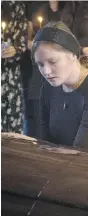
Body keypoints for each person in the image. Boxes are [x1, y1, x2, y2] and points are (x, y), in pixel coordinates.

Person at [33, 21, 88, 151]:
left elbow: (83, 150)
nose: (46, 72)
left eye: (53, 61)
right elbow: (43, 142)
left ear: (72, 54)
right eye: (40, 65)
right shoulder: (48, 87)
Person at [23, 0, 66, 137]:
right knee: (38, 122)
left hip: (61, 73)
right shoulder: (34, 7)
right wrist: (39, 43)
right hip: (39, 71)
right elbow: (26, 41)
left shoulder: (70, 6)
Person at [1, 1, 27, 133]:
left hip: (10, 73)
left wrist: (15, 50)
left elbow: (22, 42)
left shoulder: (17, 5)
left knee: (13, 122)